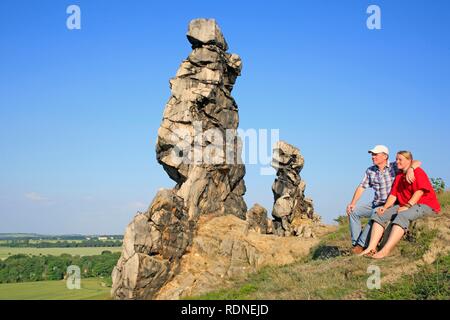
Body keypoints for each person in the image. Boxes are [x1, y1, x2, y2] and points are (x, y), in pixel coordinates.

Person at [359, 151, 441, 259]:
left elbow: (419, 192)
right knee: (379, 215)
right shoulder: (399, 176)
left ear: (409, 161)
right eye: (396, 159)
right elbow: (393, 195)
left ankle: (385, 251)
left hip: (425, 205)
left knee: (402, 215)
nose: (397, 161)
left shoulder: (418, 172)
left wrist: (407, 206)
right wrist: (385, 207)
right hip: (405, 204)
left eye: (400, 159)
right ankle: (371, 248)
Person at [346, 145, 421, 254]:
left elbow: (416, 162)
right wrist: (352, 203)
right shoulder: (370, 170)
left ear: (385, 156)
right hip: (376, 202)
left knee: (375, 213)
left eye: (375, 154)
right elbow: (362, 187)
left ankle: (361, 245)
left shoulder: (394, 166)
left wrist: (411, 169)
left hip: (390, 203)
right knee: (353, 212)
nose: (373, 157)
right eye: (372, 155)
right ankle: (357, 244)